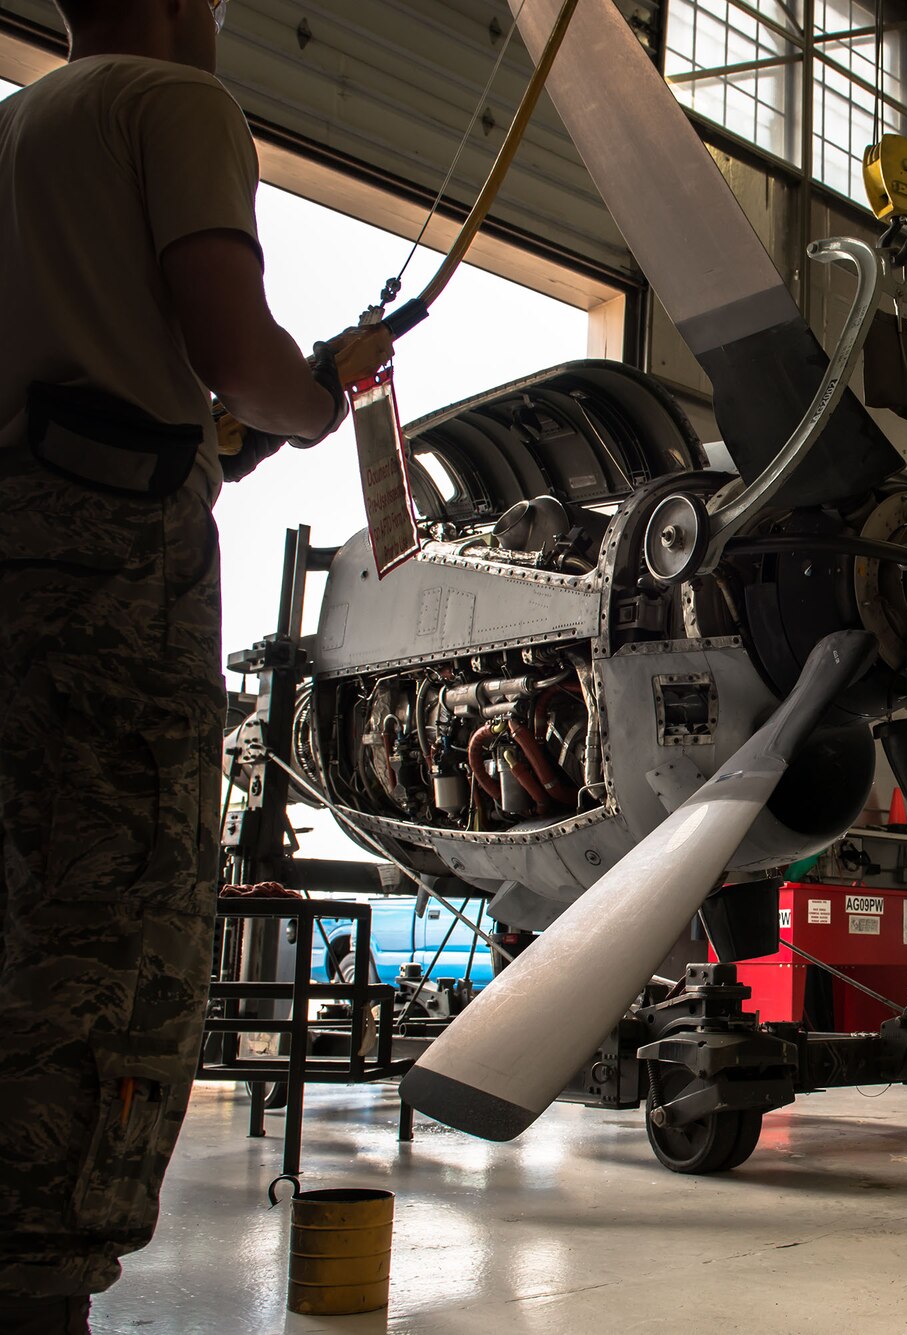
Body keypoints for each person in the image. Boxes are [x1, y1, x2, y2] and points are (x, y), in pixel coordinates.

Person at [0, 3, 390, 1328]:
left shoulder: (21, 129)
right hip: (110, 587)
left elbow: (147, 400)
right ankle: (44, 1272)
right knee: (104, 945)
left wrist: (272, 412)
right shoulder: (175, 108)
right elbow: (235, 361)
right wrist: (320, 394)